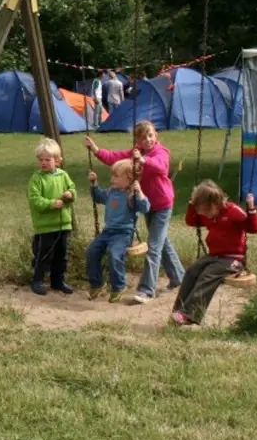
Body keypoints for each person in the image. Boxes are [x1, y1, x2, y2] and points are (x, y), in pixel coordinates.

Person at [85, 120, 184, 303]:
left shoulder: (161, 152)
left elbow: (161, 166)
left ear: (156, 136)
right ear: (137, 141)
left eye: (150, 135)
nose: (148, 140)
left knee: (154, 247)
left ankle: (146, 290)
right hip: (145, 204)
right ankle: (178, 277)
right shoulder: (135, 153)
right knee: (162, 242)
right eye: (143, 138)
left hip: (162, 204)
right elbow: (114, 158)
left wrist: (142, 160)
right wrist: (96, 150)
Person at [172, 181, 257, 325]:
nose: (205, 215)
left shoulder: (233, 211)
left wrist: (251, 208)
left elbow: (253, 228)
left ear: (215, 203)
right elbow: (192, 221)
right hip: (214, 256)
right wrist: (191, 205)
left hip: (233, 259)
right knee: (192, 271)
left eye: (206, 211)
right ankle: (179, 311)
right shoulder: (209, 212)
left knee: (208, 275)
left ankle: (189, 314)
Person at [86, 160, 150, 302]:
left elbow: (145, 208)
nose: (112, 179)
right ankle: (97, 284)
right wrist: (94, 183)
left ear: (129, 179)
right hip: (107, 232)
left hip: (123, 234)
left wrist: (139, 192)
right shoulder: (110, 192)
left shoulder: (131, 195)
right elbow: (98, 197)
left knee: (114, 254)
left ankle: (119, 287)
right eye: (112, 175)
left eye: (116, 176)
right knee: (91, 251)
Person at [27, 138, 76, 296]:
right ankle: (38, 280)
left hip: (63, 224)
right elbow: (35, 200)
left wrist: (70, 194)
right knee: (44, 254)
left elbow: (72, 189)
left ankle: (58, 281)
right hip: (45, 225)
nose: (43, 163)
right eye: (41, 160)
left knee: (62, 254)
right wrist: (51, 204)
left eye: (47, 160)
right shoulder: (37, 178)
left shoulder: (63, 175)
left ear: (57, 161)